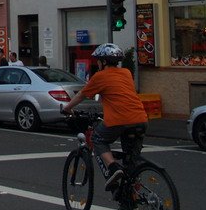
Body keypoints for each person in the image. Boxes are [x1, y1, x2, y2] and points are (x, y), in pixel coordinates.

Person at [60, 43, 148, 193]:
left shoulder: (100, 76)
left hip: (119, 120)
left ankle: (113, 168)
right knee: (131, 159)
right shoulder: (126, 73)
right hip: (140, 119)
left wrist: (67, 108)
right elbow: (120, 95)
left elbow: (82, 95)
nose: (97, 63)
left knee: (97, 139)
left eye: (98, 61)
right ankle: (133, 193)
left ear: (103, 62)